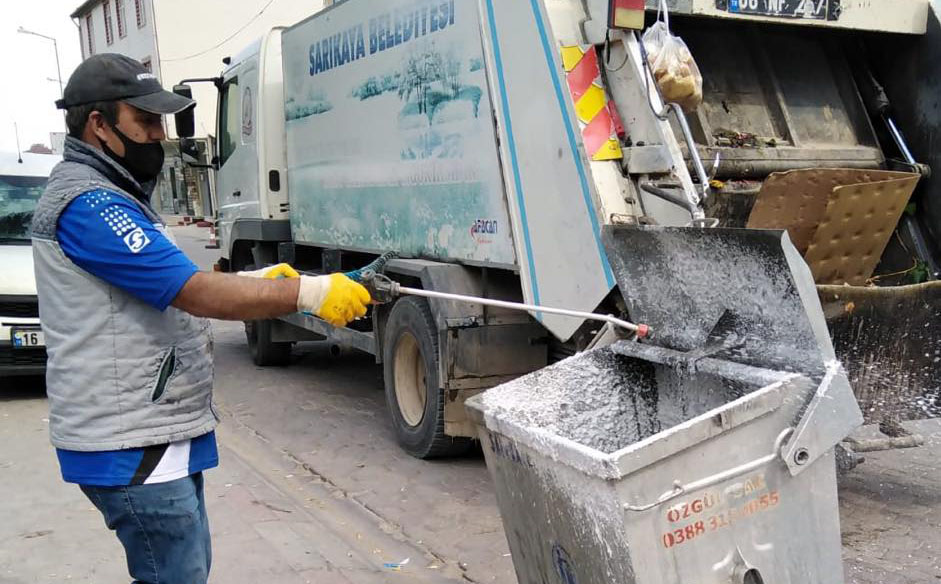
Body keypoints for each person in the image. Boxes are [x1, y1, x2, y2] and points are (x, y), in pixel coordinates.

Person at [31, 53, 370, 584]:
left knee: (182, 570)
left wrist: (262, 282)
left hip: (149, 431)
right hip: (128, 439)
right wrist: (308, 291)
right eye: (145, 120)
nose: (159, 135)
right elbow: (192, 292)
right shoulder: (90, 205)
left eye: (161, 121)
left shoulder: (117, 196)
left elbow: (161, 284)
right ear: (98, 124)